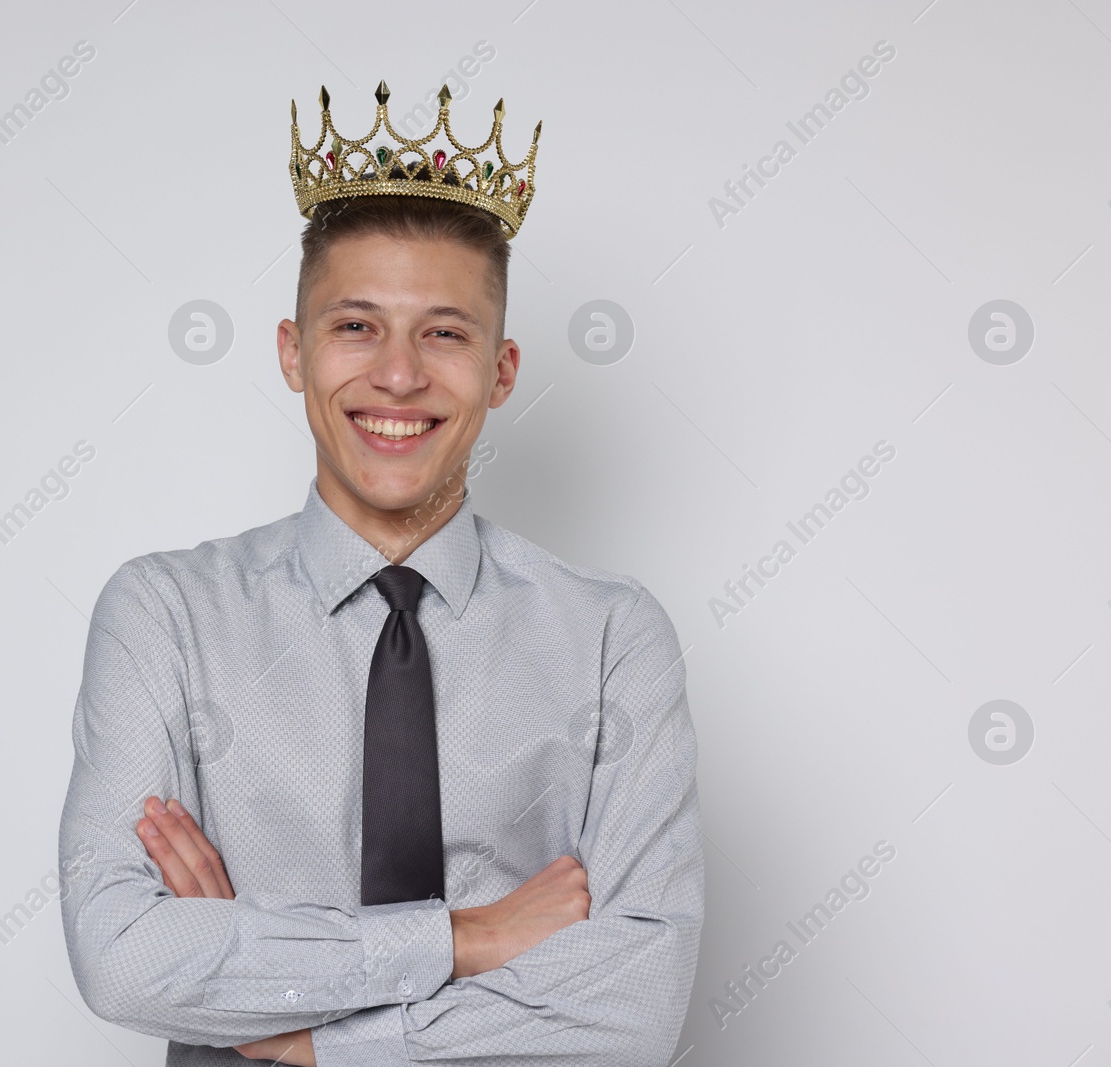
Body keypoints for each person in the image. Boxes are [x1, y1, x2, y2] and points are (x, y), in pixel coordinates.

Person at [59, 82, 703, 1066]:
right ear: (292, 351)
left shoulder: (614, 638)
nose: (398, 375)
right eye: (356, 325)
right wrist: (467, 937)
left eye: (444, 332)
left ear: (501, 369)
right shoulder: (164, 615)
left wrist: (294, 1023)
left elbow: (635, 1009)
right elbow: (120, 956)